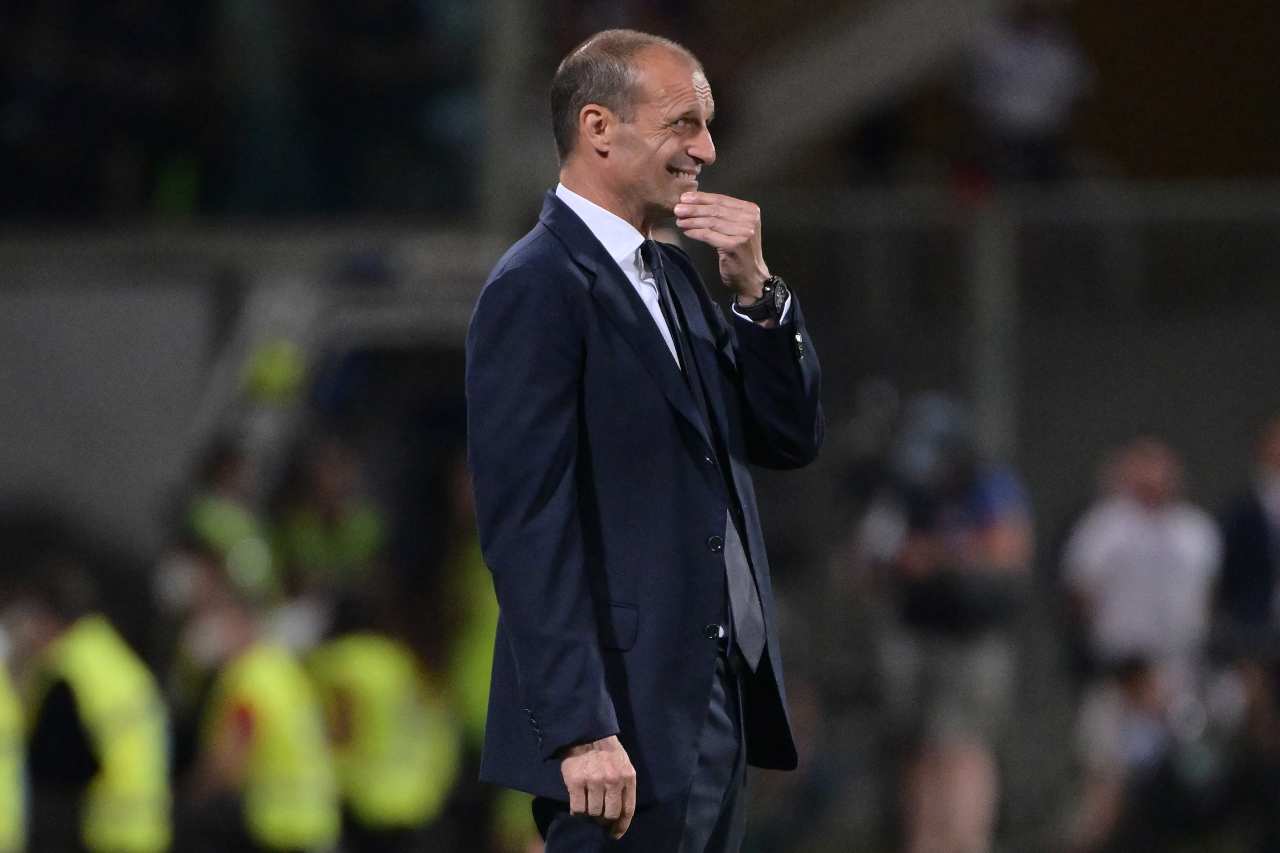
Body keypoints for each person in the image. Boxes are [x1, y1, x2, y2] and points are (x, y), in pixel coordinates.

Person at [465, 28, 823, 852]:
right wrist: (580, 727)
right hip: (617, 719)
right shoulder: (536, 286)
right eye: (683, 123)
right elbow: (527, 526)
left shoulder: (677, 280)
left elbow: (786, 436)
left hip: (705, 697)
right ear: (599, 127)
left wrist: (758, 295)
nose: (707, 149)